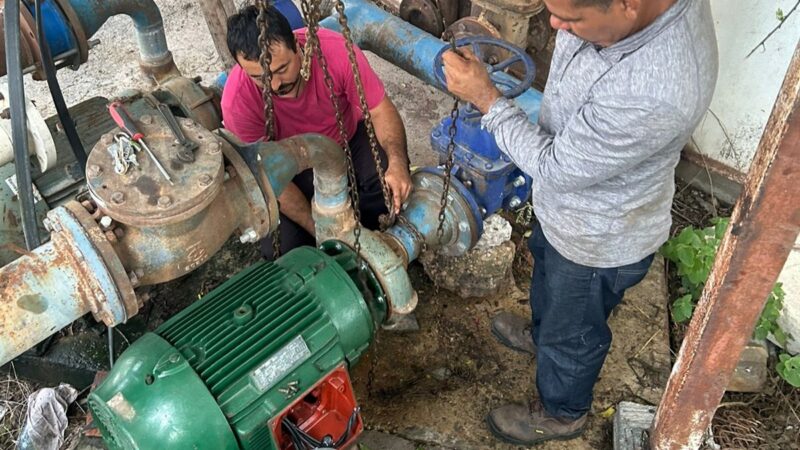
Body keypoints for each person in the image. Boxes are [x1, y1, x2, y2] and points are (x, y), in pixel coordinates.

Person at [442, 0, 717, 445]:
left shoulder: (656, 90)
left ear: (627, 6)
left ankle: (562, 412)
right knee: (547, 278)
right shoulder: (631, 18)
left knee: (575, 332)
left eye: (570, 20)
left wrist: (486, 99)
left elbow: (553, 168)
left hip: (599, 239)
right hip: (569, 213)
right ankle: (541, 334)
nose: (555, 25)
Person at [221, 5, 412, 259]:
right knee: (283, 248)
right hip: (289, 168)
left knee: (388, 188)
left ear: (298, 46)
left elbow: (380, 110)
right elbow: (267, 173)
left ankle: (382, 241)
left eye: (281, 69)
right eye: (259, 77)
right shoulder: (237, 101)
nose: (275, 85)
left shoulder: (336, 51)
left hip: (347, 139)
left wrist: (398, 163)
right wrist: (321, 229)